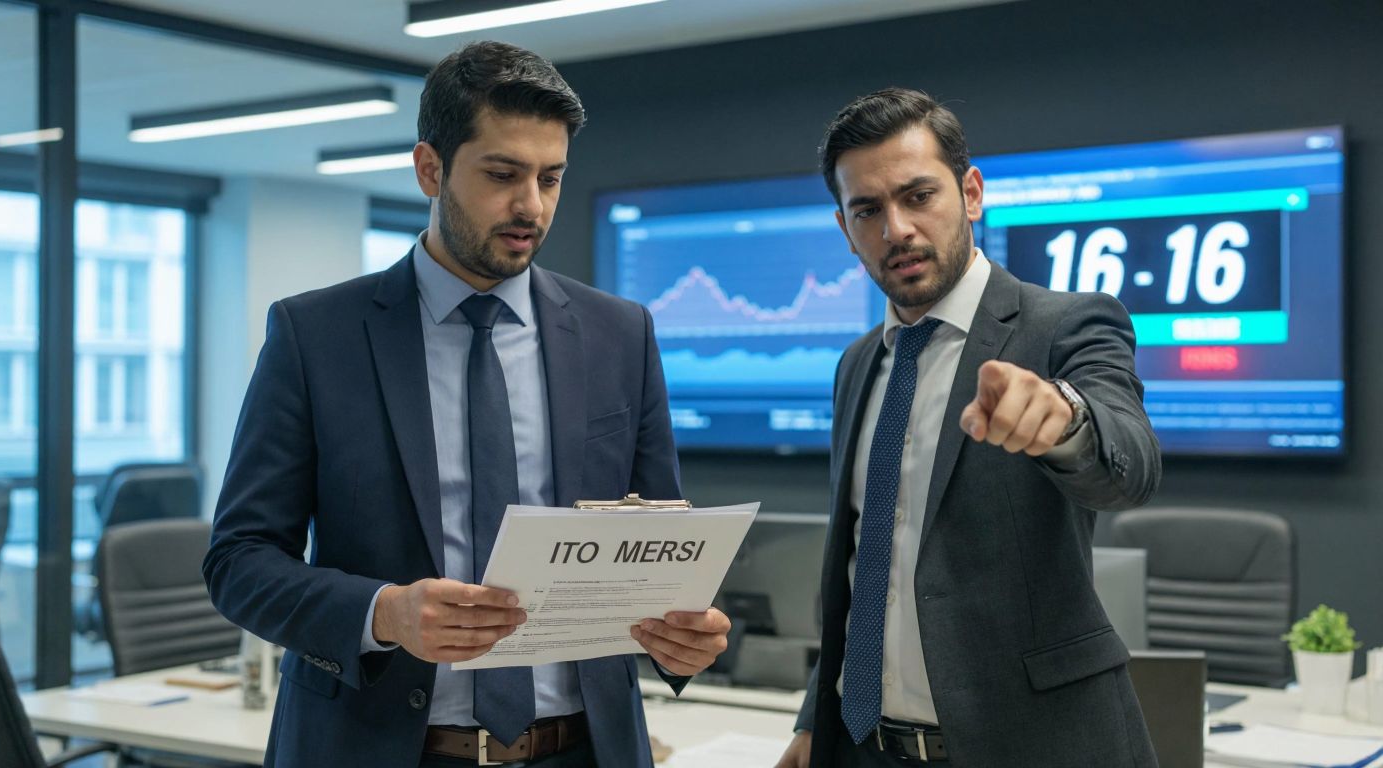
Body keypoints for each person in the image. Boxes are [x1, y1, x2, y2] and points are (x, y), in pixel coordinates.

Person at [204, 41, 731, 768]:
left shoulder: (620, 334)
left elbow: (662, 545)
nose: (532, 206)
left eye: (551, 178)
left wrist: (685, 635)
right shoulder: (315, 335)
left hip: (582, 749)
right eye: (503, 174)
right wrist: (383, 613)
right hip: (380, 748)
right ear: (430, 168)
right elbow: (239, 560)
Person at [775, 88, 1162, 767]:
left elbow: (1129, 465)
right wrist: (816, 718)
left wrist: (1066, 421)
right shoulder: (859, 363)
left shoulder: (1066, 325)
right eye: (868, 210)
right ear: (846, 228)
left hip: (1034, 747)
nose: (896, 229)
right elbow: (866, 567)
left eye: (918, 196)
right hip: (865, 747)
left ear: (972, 193)